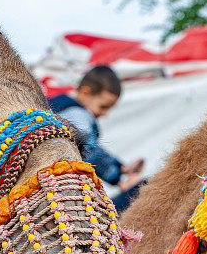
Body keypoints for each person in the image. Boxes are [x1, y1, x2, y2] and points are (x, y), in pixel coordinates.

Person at [48, 65, 144, 211]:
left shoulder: (61, 109)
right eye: (103, 106)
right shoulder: (77, 114)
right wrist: (119, 180)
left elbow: (94, 149)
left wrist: (121, 167)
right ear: (85, 93)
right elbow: (89, 150)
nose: (105, 113)